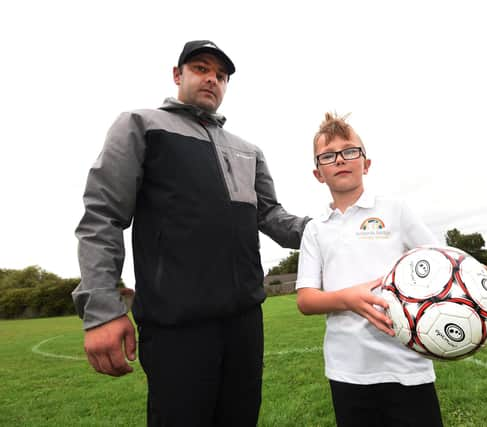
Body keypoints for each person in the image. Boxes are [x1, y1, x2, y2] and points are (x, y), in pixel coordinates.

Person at [72, 40, 309, 426]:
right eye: (201, 68)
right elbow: (103, 216)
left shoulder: (249, 150)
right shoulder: (141, 125)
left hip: (245, 323)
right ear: (177, 74)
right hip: (176, 327)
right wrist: (100, 309)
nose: (212, 79)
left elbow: (271, 216)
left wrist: (332, 229)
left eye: (221, 75)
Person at [296, 113, 444, 427]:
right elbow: (306, 300)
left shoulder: (395, 210)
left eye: (350, 151)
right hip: (348, 369)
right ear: (318, 173)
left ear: (367, 162)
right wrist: (347, 299)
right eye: (328, 156)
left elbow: (441, 261)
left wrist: (480, 290)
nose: (340, 160)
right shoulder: (315, 230)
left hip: (406, 364)